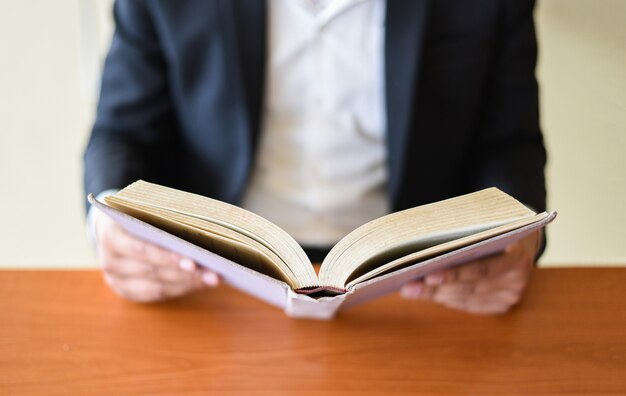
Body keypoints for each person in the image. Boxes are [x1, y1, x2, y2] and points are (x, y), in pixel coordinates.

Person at [84, 0, 547, 315]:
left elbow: (509, 143)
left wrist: (514, 242)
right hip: (215, 280)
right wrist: (111, 223)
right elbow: (122, 133)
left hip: (415, 287)